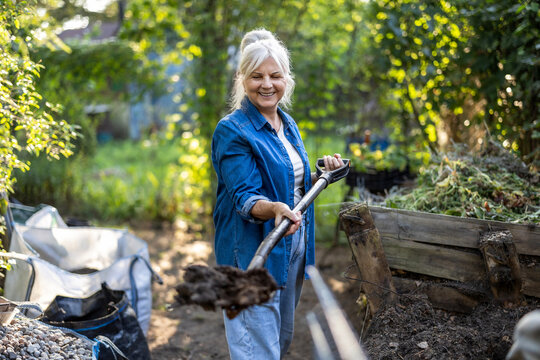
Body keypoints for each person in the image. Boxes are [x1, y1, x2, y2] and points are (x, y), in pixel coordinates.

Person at [211, 28, 344, 360]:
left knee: (279, 341)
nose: (267, 84)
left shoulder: (287, 123)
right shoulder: (232, 130)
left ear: (287, 80)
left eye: (275, 75)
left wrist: (323, 172)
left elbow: (290, 181)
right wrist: (273, 209)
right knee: (256, 348)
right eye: (257, 76)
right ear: (242, 80)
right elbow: (245, 196)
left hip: (290, 245)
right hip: (252, 249)